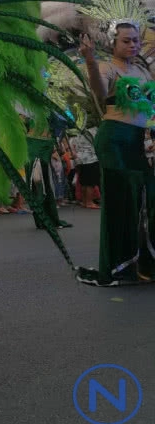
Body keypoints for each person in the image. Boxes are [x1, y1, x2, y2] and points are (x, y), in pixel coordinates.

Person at [78, 25, 155, 285]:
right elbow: (99, 92)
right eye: (126, 41)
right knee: (119, 202)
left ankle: (142, 263)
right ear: (113, 43)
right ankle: (115, 266)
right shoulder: (106, 67)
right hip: (115, 139)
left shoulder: (142, 71)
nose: (132, 45)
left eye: (135, 41)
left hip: (139, 142)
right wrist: (89, 60)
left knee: (145, 202)